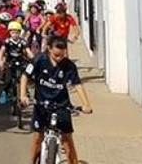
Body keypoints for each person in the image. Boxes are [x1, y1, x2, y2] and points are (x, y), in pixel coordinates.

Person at [20, 36, 93, 164]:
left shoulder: (69, 66)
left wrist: (86, 104)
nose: (59, 58)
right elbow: (25, 76)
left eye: (62, 55)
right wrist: (23, 96)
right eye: (56, 55)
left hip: (61, 106)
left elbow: (77, 85)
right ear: (49, 49)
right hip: (41, 105)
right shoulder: (39, 60)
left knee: (67, 141)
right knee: (37, 137)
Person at [0, 21, 31, 104]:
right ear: (9, 33)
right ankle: (5, 92)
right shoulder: (7, 41)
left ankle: (25, 92)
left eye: (17, 33)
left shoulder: (23, 42)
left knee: (25, 76)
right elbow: (2, 51)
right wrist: (0, 60)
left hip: (21, 61)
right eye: (13, 33)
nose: (15, 34)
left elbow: (28, 51)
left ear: (20, 33)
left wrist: (33, 58)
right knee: (11, 79)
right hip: (10, 61)